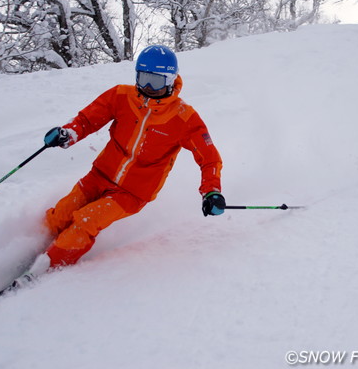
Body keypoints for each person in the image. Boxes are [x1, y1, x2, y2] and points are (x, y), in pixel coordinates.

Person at [18, 45, 225, 283]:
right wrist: (69, 133)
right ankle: (25, 252)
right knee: (62, 213)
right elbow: (88, 119)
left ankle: (45, 269)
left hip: (132, 193)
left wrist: (211, 191)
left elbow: (209, 158)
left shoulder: (184, 118)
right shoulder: (121, 96)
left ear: (170, 81)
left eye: (155, 82)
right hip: (100, 175)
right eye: (143, 79)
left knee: (86, 220)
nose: (147, 88)